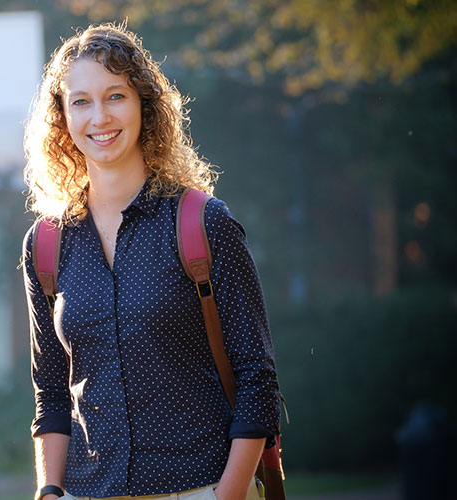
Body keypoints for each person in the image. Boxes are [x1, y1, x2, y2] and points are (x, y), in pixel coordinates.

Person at [21, 23, 280, 500]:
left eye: (115, 95)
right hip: (86, 491)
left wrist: (229, 494)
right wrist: (50, 490)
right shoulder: (46, 243)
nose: (99, 116)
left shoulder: (203, 223)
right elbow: (52, 390)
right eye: (80, 101)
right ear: (61, 117)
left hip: (200, 486)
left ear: (144, 103)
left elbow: (257, 378)